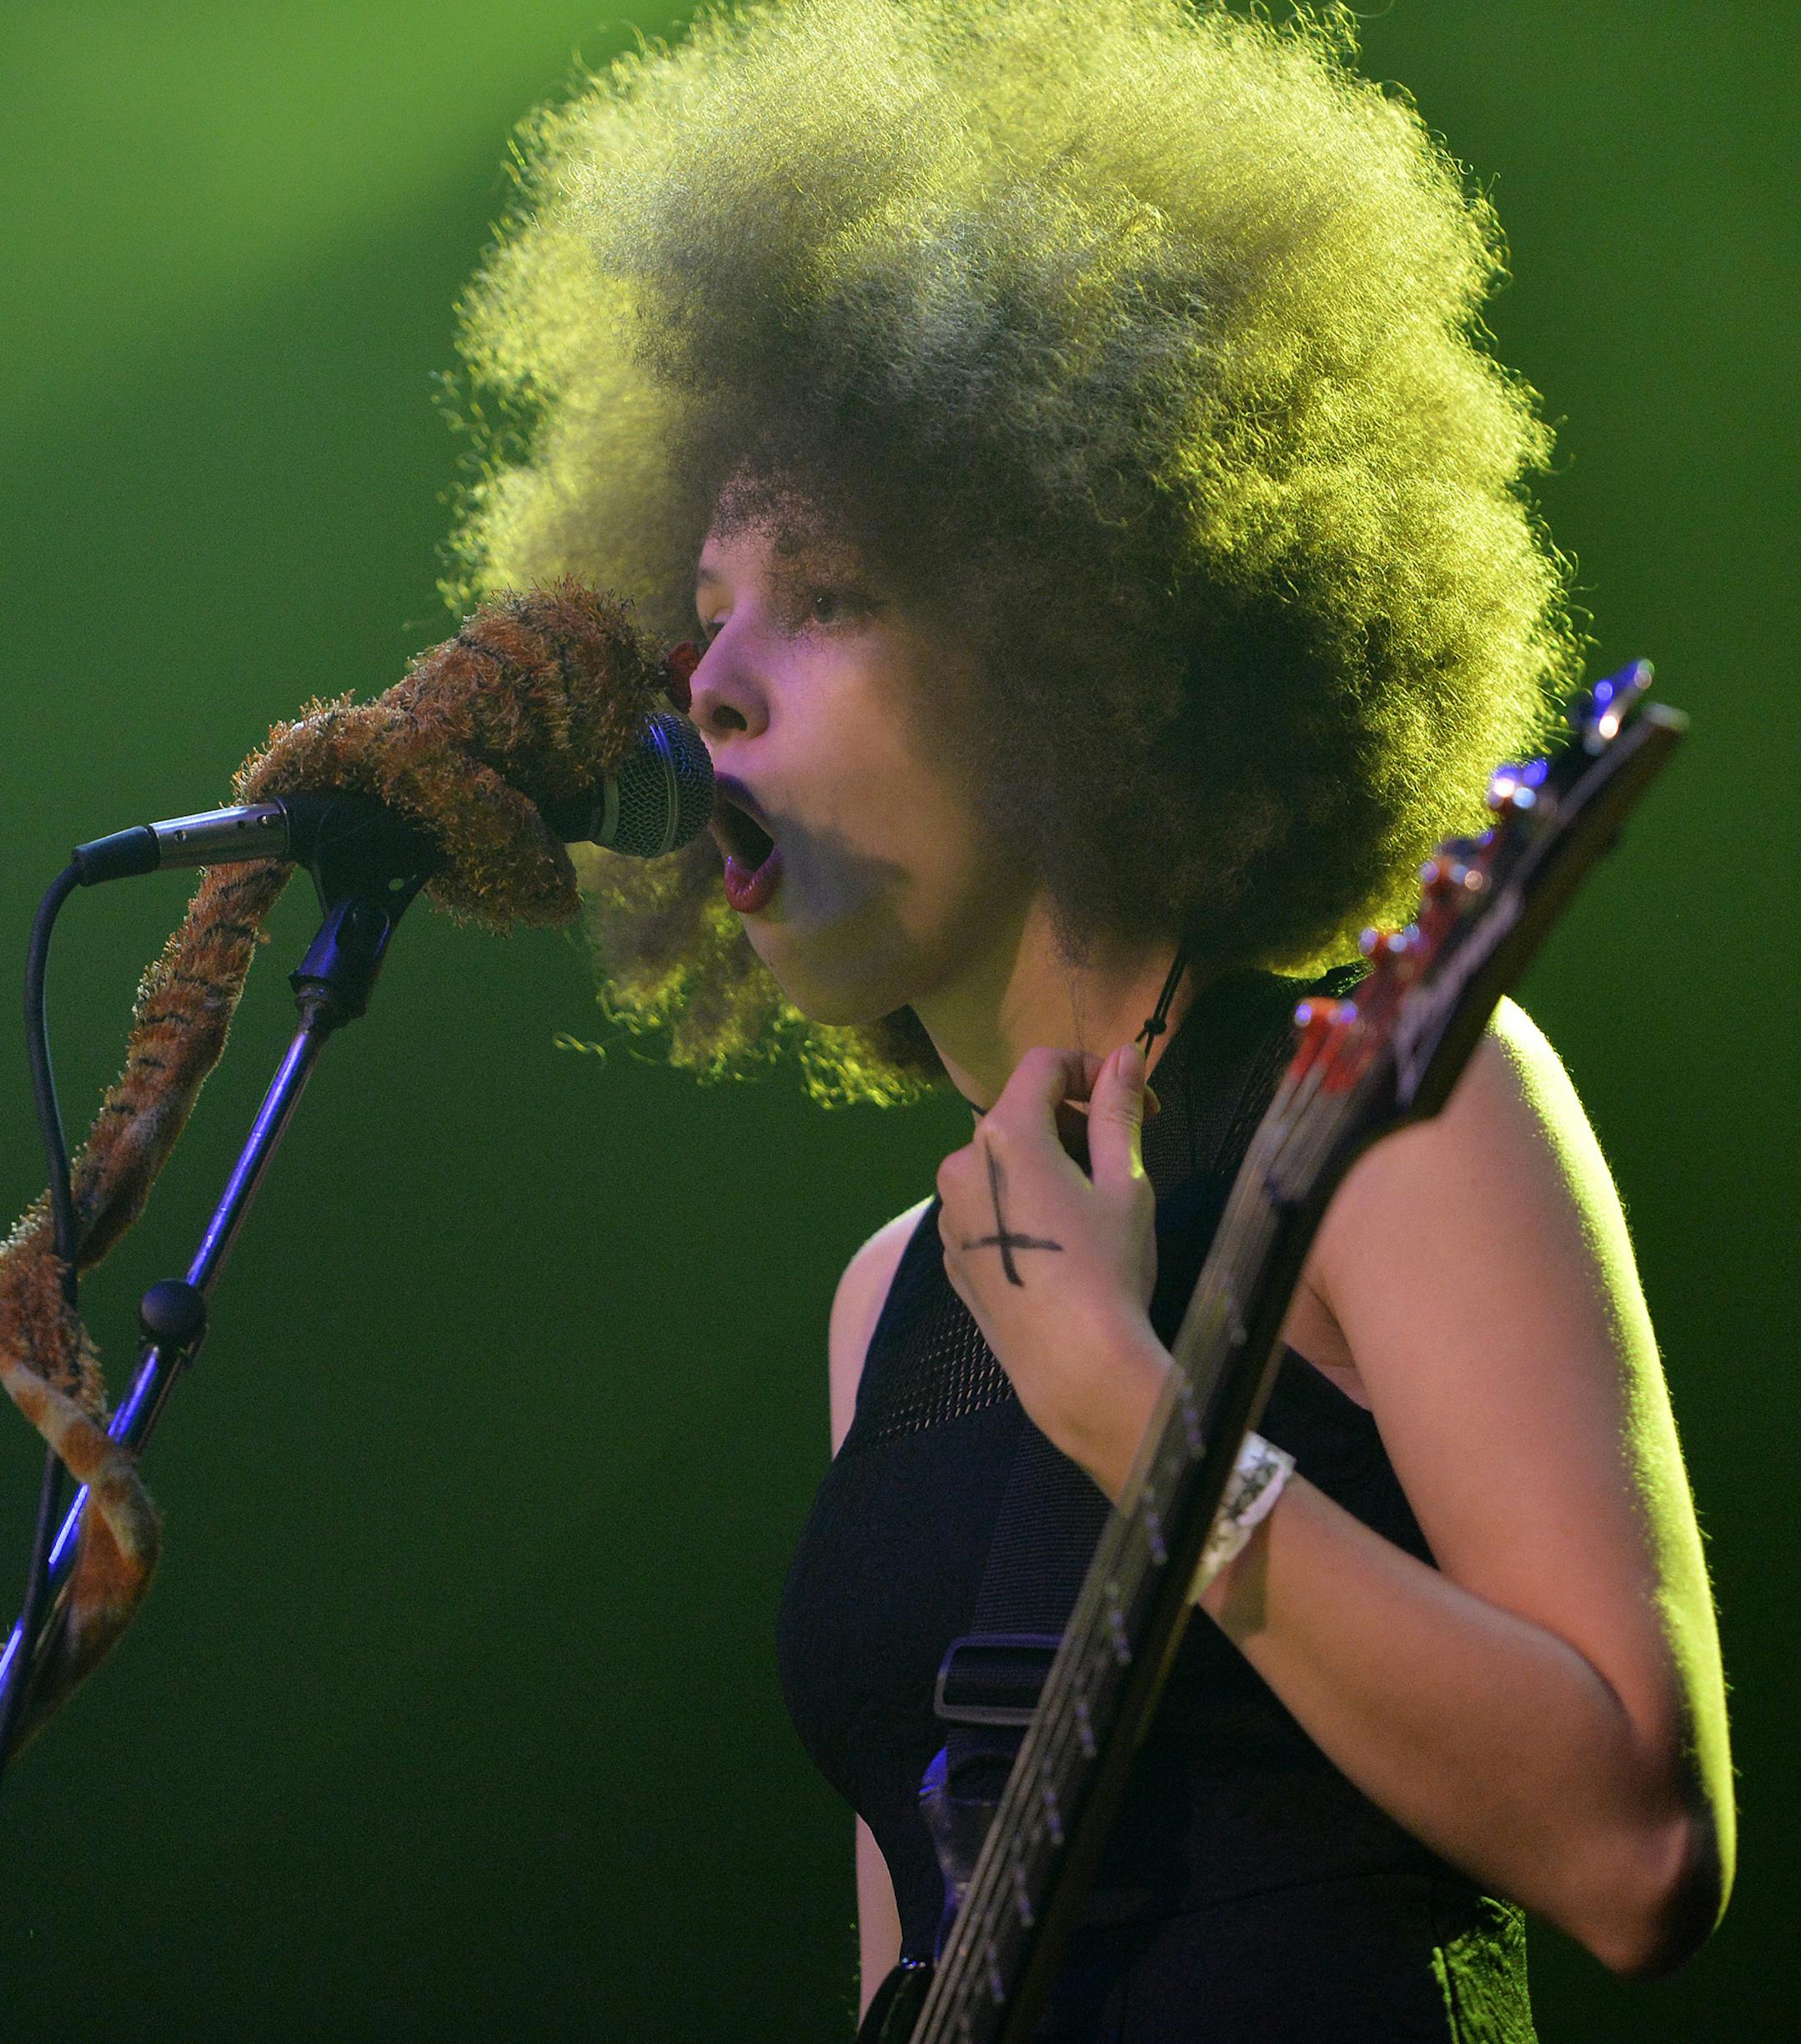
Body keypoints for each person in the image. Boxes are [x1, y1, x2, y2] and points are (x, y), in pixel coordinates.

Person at [444, 2, 1734, 2034]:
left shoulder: (1396, 1110)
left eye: (834, 594)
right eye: (710, 604)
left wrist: (1135, 1409)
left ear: (1081, 638)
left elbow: (1639, 1847)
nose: (712, 679)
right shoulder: (892, 1297)